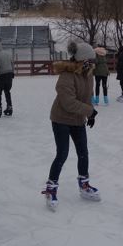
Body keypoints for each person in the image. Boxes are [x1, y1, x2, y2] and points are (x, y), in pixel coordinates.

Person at [42, 41, 100, 210]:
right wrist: (89, 111)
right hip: (61, 119)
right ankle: (51, 189)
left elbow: (87, 96)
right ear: (83, 60)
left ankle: (84, 185)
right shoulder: (66, 76)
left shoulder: (88, 74)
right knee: (62, 154)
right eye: (91, 60)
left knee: (83, 152)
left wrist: (89, 113)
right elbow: (68, 103)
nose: (93, 63)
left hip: (77, 120)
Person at [0, 41, 14, 117]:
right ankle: (9, 107)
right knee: (7, 91)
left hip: (2, 75)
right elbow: (12, 64)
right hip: (10, 74)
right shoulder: (8, 53)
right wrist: (12, 72)